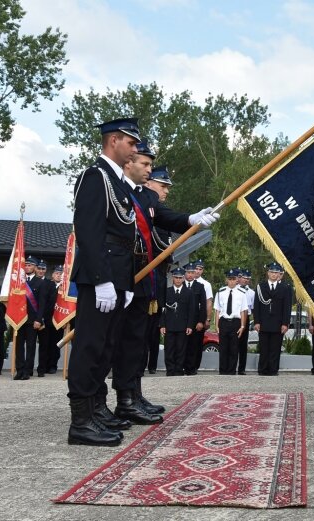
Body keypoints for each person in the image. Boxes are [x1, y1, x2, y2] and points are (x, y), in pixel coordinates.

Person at [67, 116, 217, 447]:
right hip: (102, 278)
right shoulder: (96, 177)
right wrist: (101, 279)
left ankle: (96, 409)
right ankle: (81, 421)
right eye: (132, 144)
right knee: (90, 346)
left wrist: (191, 218)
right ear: (114, 141)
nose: (136, 150)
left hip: (120, 279)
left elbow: (147, 220)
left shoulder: (119, 183)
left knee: (105, 347)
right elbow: (90, 234)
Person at [113, 147, 192, 424]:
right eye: (163, 185)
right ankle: (125, 397)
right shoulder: (132, 200)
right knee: (130, 342)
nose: (166, 191)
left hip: (151, 282)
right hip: (133, 280)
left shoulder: (151, 205)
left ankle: (135, 395)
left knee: (141, 343)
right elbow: (154, 245)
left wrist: (192, 222)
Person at [144, 165, 174, 374]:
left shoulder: (161, 217)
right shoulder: (140, 207)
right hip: (140, 278)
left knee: (150, 329)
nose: (166, 190)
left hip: (157, 281)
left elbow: (166, 251)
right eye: (163, 186)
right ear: (148, 183)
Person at [253, 262, 292, 376]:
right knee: (264, 348)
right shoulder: (261, 286)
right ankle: (263, 369)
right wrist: (256, 322)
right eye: (272, 272)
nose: (274, 274)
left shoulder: (285, 288)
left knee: (275, 348)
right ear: (268, 273)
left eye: (276, 272)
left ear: (279, 274)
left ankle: (273, 370)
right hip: (264, 322)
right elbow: (257, 306)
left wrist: (285, 323)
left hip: (278, 323)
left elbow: (287, 307)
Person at [14, 256, 47, 381]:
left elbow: (42, 303)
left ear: (35, 267)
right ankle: (19, 370)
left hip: (32, 319)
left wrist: (39, 319)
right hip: (19, 318)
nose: (27, 267)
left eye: (30, 265)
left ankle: (27, 371)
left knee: (31, 346)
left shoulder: (40, 282)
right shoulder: (18, 281)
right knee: (18, 346)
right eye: (26, 265)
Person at [161, 267, 196, 376]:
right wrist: (162, 325)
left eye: (180, 278)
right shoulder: (167, 292)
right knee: (169, 349)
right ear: (172, 278)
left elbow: (191, 311)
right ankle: (170, 370)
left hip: (183, 326)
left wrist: (190, 326)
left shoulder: (189, 293)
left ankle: (179, 370)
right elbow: (162, 309)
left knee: (181, 349)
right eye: (176, 277)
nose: (178, 280)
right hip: (169, 325)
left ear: (183, 278)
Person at [214, 268, 248, 375]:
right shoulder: (221, 292)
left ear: (237, 280)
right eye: (230, 279)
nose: (232, 281)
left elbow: (243, 311)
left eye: (234, 279)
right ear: (226, 280)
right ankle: (223, 370)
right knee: (223, 348)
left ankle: (232, 370)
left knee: (234, 348)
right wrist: (216, 325)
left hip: (235, 322)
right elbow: (217, 310)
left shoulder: (242, 293)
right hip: (224, 321)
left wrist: (242, 326)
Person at [183, 259, 212, 375]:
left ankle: (193, 366)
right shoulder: (181, 283)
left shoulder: (203, 285)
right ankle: (182, 366)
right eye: (195, 269)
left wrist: (205, 319)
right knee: (183, 344)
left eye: (199, 269)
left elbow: (206, 304)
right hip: (183, 319)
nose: (196, 272)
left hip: (196, 319)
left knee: (195, 345)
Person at [35, 259, 56, 377]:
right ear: (35, 269)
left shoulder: (50, 284)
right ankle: (27, 368)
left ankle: (41, 369)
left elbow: (51, 303)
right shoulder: (29, 282)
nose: (41, 271)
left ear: (46, 270)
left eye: (43, 269)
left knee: (44, 346)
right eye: (39, 268)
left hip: (45, 320)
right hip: (31, 319)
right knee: (31, 345)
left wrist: (42, 317)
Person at [45, 265, 65, 374]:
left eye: (61, 273)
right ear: (52, 274)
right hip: (47, 319)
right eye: (57, 273)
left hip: (59, 320)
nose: (58, 275)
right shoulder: (47, 285)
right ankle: (44, 365)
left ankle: (53, 365)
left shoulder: (65, 287)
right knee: (46, 343)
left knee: (56, 344)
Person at [237, 269, 255, 375]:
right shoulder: (235, 290)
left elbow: (252, 309)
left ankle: (241, 368)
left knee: (243, 344)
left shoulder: (252, 293)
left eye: (248, 279)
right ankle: (231, 366)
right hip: (235, 317)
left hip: (246, 317)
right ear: (239, 278)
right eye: (244, 278)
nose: (246, 280)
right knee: (234, 343)